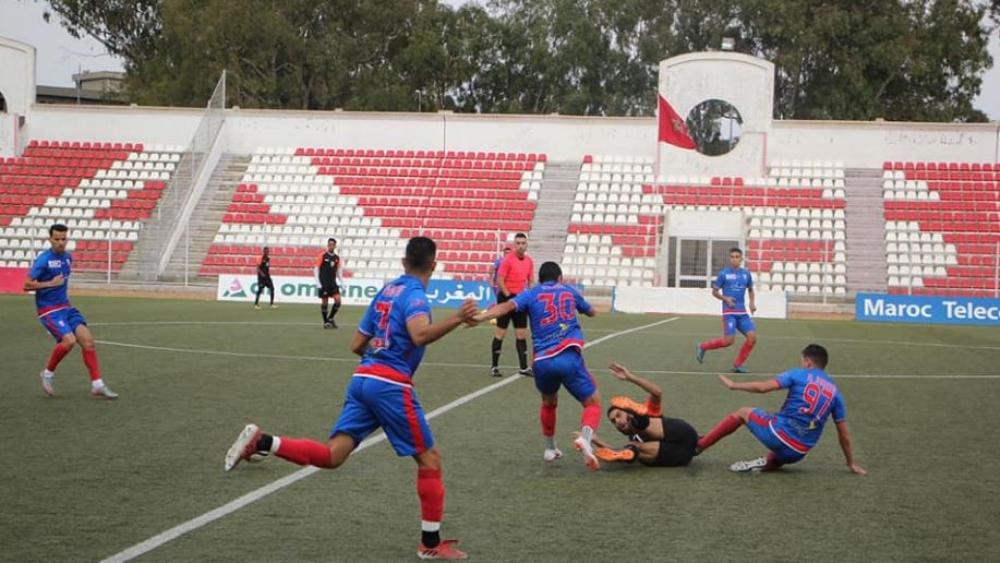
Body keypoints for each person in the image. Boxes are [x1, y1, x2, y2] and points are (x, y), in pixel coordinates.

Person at [225, 236, 478, 560]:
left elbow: (357, 344)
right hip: (389, 385)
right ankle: (430, 544)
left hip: (363, 379)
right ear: (433, 265)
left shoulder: (386, 291)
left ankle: (263, 442)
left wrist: (378, 359)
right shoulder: (415, 295)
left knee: (333, 456)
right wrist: (457, 318)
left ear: (403, 262)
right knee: (430, 460)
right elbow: (419, 335)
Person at [473, 261, 602, 470]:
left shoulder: (531, 293)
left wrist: (480, 317)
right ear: (560, 278)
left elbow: (506, 307)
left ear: (540, 280)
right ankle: (585, 438)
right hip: (568, 356)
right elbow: (592, 312)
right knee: (592, 403)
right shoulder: (569, 291)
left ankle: (550, 448)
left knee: (549, 403)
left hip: (542, 362)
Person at [696, 344, 867, 475]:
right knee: (786, 448)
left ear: (808, 362)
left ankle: (699, 446)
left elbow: (763, 388)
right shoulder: (836, 393)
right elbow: (844, 435)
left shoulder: (797, 374)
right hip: (798, 453)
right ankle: (767, 462)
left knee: (743, 412)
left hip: (778, 436)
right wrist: (850, 462)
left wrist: (734, 385)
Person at [24, 223, 118, 399]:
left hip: (66, 307)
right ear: (50, 239)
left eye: (63, 239)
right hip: (49, 310)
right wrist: (50, 283)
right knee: (69, 341)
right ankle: (48, 373)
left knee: (88, 342)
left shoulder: (68, 257)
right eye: (57, 239)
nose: (60, 242)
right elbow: (27, 284)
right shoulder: (43, 259)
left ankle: (97, 384)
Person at [589, 362, 699, 468]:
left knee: (644, 425)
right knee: (632, 449)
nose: (617, 421)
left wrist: (630, 377)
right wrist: (596, 440)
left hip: (683, 435)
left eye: (618, 415)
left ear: (627, 411)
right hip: (679, 456)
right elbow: (615, 453)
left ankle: (637, 417)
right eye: (613, 421)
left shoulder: (648, 411)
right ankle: (633, 452)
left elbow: (657, 393)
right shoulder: (633, 439)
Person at [695, 247, 757, 373]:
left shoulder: (746, 274)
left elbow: (750, 289)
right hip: (729, 313)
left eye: (737, 257)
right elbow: (714, 292)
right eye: (732, 257)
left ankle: (738, 365)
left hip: (742, 313)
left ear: (741, 259)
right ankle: (703, 346)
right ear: (729, 258)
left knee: (752, 338)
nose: (734, 259)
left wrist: (751, 303)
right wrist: (725, 299)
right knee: (728, 341)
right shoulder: (724, 274)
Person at [490, 233, 534, 377]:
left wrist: (530, 296)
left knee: (521, 334)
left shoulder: (529, 261)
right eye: (518, 243)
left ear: (526, 245)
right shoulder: (507, 260)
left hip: (520, 300)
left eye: (523, 243)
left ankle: (523, 368)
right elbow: (500, 280)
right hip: (506, 298)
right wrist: (508, 296)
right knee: (500, 333)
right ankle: (494, 367)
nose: (521, 246)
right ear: (515, 245)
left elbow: (530, 281)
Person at [316, 238, 343, 328]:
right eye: (329, 244)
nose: (331, 246)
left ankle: (330, 318)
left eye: (333, 245)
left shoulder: (337, 258)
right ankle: (325, 322)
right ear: (327, 245)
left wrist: (342, 282)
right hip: (324, 283)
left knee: (338, 301)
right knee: (325, 302)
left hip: (333, 283)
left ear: (335, 246)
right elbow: (316, 269)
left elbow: (339, 271)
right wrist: (318, 283)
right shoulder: (323, 255)